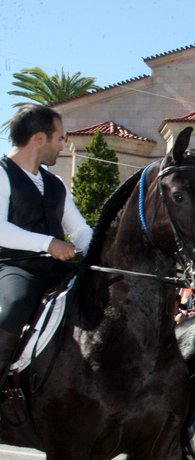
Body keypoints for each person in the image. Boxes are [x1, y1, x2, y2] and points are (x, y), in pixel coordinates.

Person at [0, 105, 94, 381]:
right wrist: (49, 243)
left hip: (57, 270)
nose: (63, 146)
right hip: (13, 267)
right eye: (60, 138)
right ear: (39, 138)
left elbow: (79, 231)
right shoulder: (2, 173)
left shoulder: (57, 183)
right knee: (16, 303)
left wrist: (99, 254)